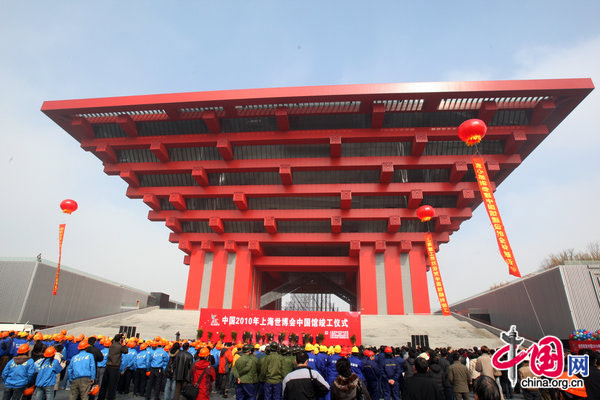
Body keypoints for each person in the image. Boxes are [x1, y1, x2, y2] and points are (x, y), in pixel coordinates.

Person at [97, 334, 128, 400]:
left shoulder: (111, 345)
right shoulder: (119, 346)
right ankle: (110, 397)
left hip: (108, 366)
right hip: (115, 367)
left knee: (104, 384)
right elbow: (125, 351)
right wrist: (124, 343)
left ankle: (101, 397)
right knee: (112, 385)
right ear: (120, 339)